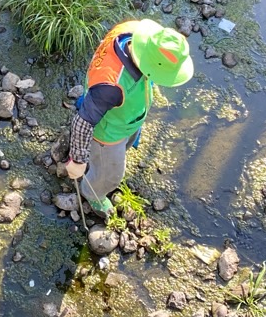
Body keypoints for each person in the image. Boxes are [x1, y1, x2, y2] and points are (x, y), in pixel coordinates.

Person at [64, 20, 193, 217]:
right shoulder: (112, 87)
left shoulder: (131, 30)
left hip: (121, 113)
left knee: (104, 117)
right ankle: (92, 193)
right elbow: (83, 122)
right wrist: (78, 160)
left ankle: (100, 160)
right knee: (111, 175)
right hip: (107, 134)